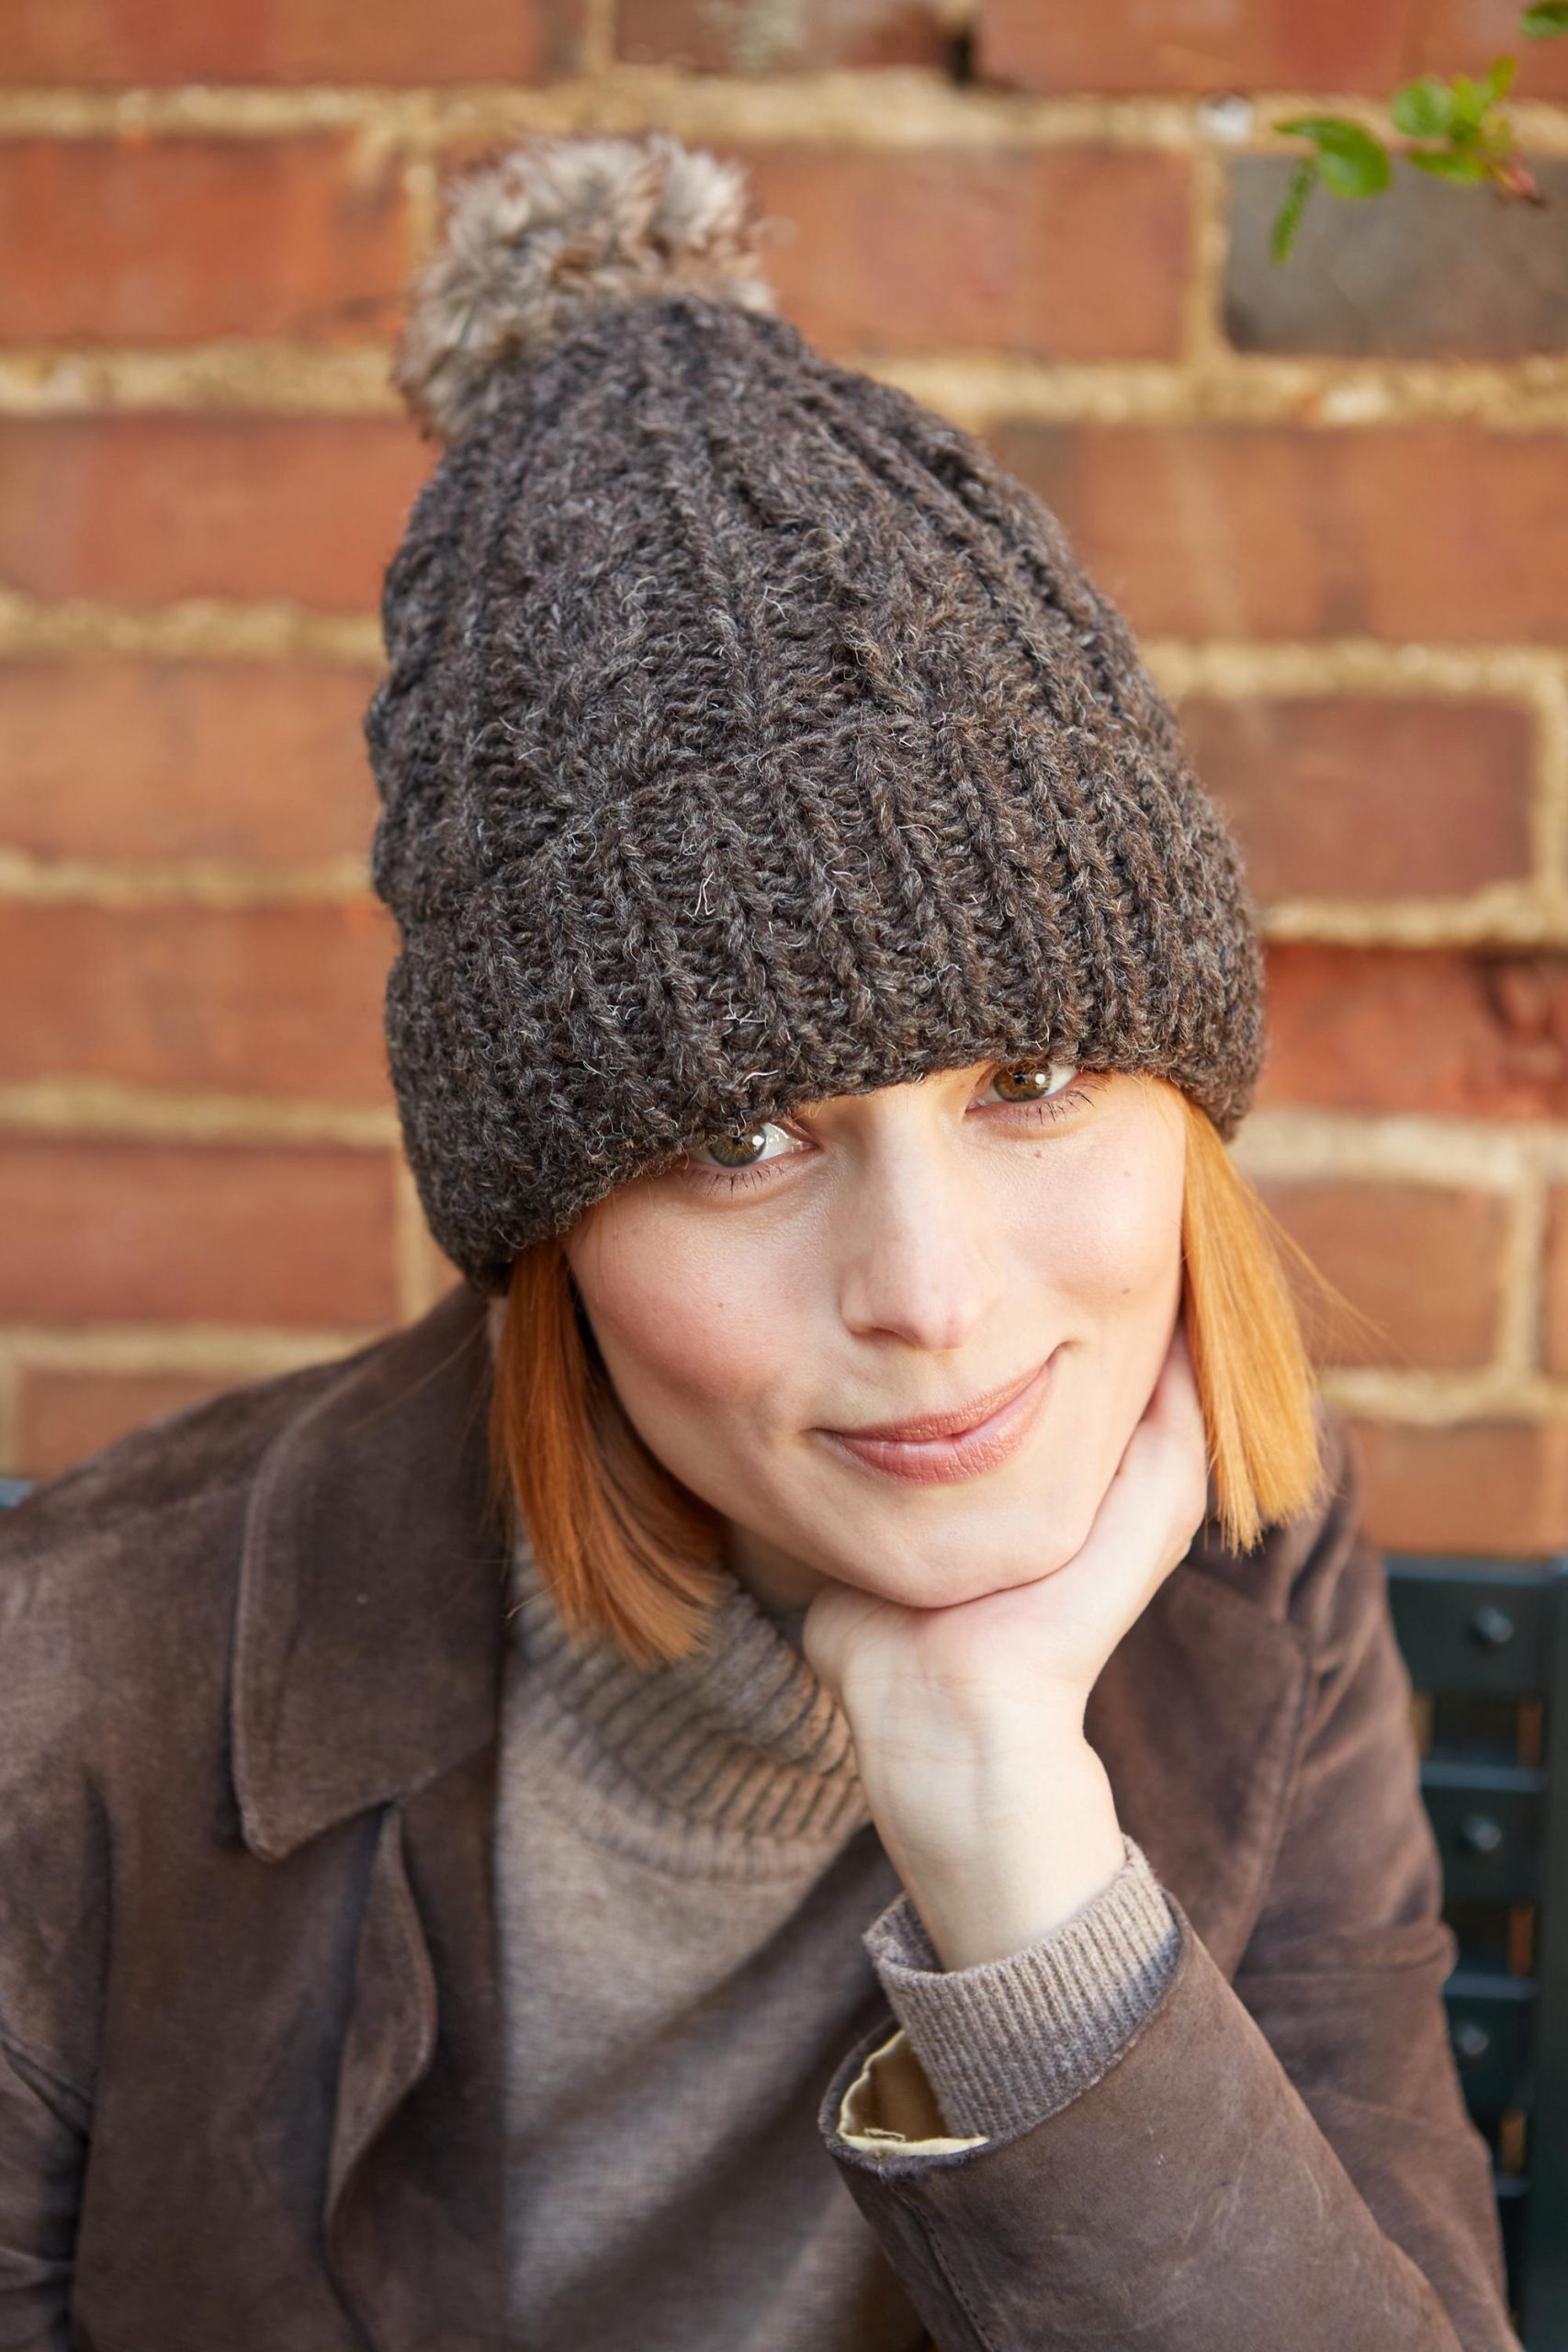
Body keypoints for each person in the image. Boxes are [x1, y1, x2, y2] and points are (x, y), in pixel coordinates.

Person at [0, 128, 1520, 2352]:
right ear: (550, 1229)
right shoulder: (78, 1692)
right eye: (735, 1131)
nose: (929, 1290)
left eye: (1026, 1078)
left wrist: (1013, 1843)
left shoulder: (1241, 1581)